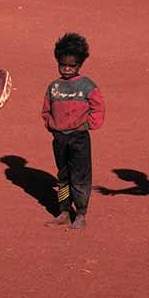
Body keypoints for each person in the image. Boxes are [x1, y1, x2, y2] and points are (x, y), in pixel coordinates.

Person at [41, 32, 105, 230]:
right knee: (63, 177)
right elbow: (46, 110)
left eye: (72, 66)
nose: (67, 69)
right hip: (60, 138)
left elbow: (98, 107)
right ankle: (64, 212)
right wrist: (52, 125)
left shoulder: (87, 86)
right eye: (63, 65)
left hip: (79, 138)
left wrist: (87, 125)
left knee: (80, 177)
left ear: (79, 65)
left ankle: (81, 214)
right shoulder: (54, 87)